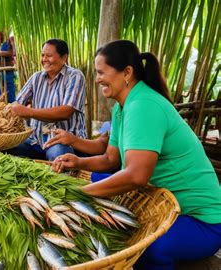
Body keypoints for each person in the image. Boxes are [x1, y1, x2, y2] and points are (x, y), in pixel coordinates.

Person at [52, 40, 221, 269]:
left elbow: (136, 176)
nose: (97, 79)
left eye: (102, 72)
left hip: (203, 220)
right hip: (164, 202)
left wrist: (79, 195)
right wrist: (79, 161)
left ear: (127, 73)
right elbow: (111, 159)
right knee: (97, 180)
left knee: (147, 245)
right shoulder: (122, 108)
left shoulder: (144, 105)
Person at [8, 38, 87, 161]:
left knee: (58, 157)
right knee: (8, 151)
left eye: (49, 56)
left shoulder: (74, 76)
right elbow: (17, 103)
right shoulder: (36, 78)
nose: (44, 59)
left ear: (64, 57)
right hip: (36, 141)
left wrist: (29, 112)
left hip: (63, 140)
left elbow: (67, 112)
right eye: (43, 55)